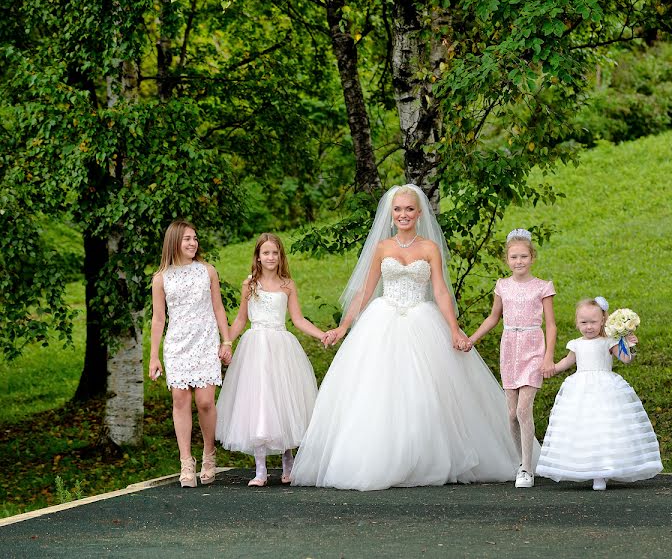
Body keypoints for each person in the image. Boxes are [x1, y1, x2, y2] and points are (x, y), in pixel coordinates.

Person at [290, 184, 525, 491]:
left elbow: (440, 290)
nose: (403, 214)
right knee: (377, 392)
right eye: (398, 209)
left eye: (409, 209)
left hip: (421, 320)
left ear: (418, 213)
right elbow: (365, 290)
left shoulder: (429, 248)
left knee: (425, 391)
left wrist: (454, 329)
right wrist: (343, 326)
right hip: (382, 321)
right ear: (391, 214)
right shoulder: (383, 248)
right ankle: (377, 459)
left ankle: (424, 458)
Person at [216, 233, 325, 486]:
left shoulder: (288, 285)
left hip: (280, 346)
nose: (271, 257)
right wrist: (227, 341)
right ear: (258, 256)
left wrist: (321, 334)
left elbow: (297, 319)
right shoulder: (250, 285)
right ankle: (261, 469)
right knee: (259, 402)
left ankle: (288, 460)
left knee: (282, 399)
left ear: (280, 256)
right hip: (255, 347)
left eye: (275, 253)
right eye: (266, 253)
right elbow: (241, 319)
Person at [535, 297, 662, 491]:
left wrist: (628, 343)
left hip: (606, 388)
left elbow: (626, 359)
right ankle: (590, 469)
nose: (588, 327)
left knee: (605, 426)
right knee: (585, 427)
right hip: (580, 390)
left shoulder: (608, 341)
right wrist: (550, 369)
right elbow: (567, 362)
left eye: (593, 322)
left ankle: (603, 472)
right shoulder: (576, 344)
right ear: (577, 323)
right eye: (583, 323)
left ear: (603, 320)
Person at [467, 228, 557, 488]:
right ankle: (521, 461)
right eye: (514, 257)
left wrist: (548, 356)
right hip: (509, 348)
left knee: (522, 409)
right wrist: (472, 339)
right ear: (507, 260)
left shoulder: (542, 287)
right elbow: (494, 318)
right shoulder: (502, 286)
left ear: (532, 257)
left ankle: (527, 469)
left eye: (524, 257)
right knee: (510, 413)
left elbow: (550, 324)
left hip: (532, 347)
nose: (519, 262)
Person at [149, 220, 232, 488]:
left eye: (195, 238)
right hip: (177, 345)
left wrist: (226, 340)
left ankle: (209, 454)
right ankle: (186, 461)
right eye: (187, 239)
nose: (193, 243)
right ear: (174, 242)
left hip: (206, 342)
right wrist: (154, 356)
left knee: (206, 401)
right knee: (180, 401)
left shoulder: (207, 271)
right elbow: (158, 319)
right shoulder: (161, 278)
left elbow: (219, 308)